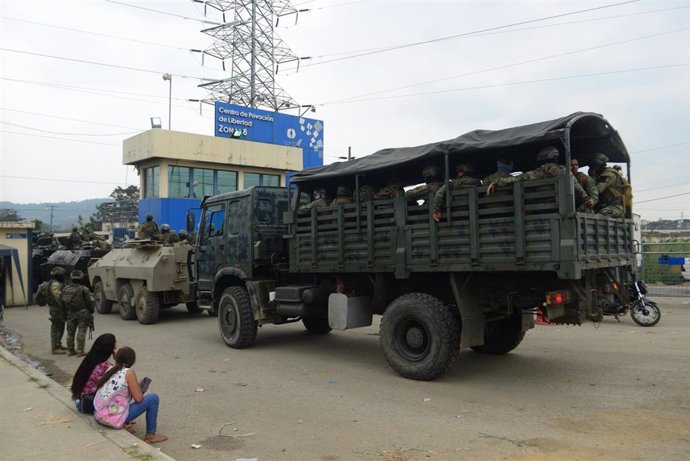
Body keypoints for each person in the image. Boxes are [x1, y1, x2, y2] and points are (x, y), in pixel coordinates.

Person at [95, 346, 168, 443]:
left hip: (100, 415)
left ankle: (123, 422)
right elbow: (138, 399)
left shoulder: (110, 369)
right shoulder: (129, 373)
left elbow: (118, 388)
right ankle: (150, 435)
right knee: (153, 398)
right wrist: (139, 389)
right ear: (132, 361)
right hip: (111, 417)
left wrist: (135, 385)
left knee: (120, 399)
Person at [486, 147, 589, 207]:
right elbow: (577, 186)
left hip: (543, 208)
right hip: (563, 207)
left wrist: (497, 182)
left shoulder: (541, 172)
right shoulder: (565, 171)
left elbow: (518, 178)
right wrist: (587, 198)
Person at [71, 333, 117, 414]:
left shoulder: (90, 359)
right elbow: (120, 380)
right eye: (115, 344)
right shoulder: (106, 365)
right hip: (89, 405)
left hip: (79, 401)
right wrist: (117, 360)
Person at [62, 270, 95, 357]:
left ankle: (70, 350)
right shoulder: (84, 289)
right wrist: (91, 310)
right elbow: (89, 302)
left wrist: (64, 314)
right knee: (81, 331)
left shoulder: (65, 289)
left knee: (70, 332)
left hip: (70, 313)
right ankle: (80, 350)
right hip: (83, 313)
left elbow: (62, 303)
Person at [588, 153, 628, 218]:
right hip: (604, 206)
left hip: (615, 207)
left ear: (601, 165)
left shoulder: (608, 175)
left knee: (600, 216)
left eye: (595, 166)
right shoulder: (600, 175)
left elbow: (597, 190)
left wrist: (592, 176)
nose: (593, 168)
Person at [45, 266, 67, 354]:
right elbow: (57, 297)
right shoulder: (55, 284)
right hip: (56, 309)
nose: (63, 276)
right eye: (62, 275)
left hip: (58, 308)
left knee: (61, 326)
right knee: (56, 327)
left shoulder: (56, 283)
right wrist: (64, 305)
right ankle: (55, 347)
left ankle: (58, 344)